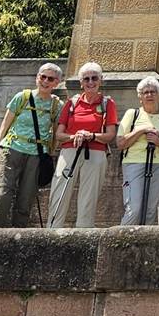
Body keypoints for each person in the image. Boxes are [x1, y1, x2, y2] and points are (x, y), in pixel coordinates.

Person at [0, 64, 64, 227]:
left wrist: (49, 153)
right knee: (1, 194)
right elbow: (5, 125)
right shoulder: (22, 97)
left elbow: (56, 133)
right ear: (37, 78)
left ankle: (17, 239)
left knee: (25, 200)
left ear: (56, 82)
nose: (45, 81)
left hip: (36, 154)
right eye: (42, 77)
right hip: (11, 148)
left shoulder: (57, 105)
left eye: (50, 78)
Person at [47, 62, 117, 228]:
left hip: (96, 152)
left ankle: (83, 234)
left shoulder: (108, 104)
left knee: (88, 198)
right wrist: (75, 136)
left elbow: (110, 135)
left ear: (100, 81)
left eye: (94, 78)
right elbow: (59, 134)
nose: (90, 82)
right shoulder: (71, 103)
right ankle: (52, 232)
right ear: (81, 82)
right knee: (59, 192)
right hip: (70, 150)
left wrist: (91, 135)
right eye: (86, 79)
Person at [116, 75, 159, 225]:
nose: (149, 95)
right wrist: (141, 129)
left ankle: (144, 248)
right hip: (134, 163)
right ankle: (120, 245)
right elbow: (120, 143)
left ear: (158, 95)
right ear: (140, 97)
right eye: (145, 92)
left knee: (150, 211)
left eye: (153, 92)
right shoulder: (132, 114)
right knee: (134, 209)